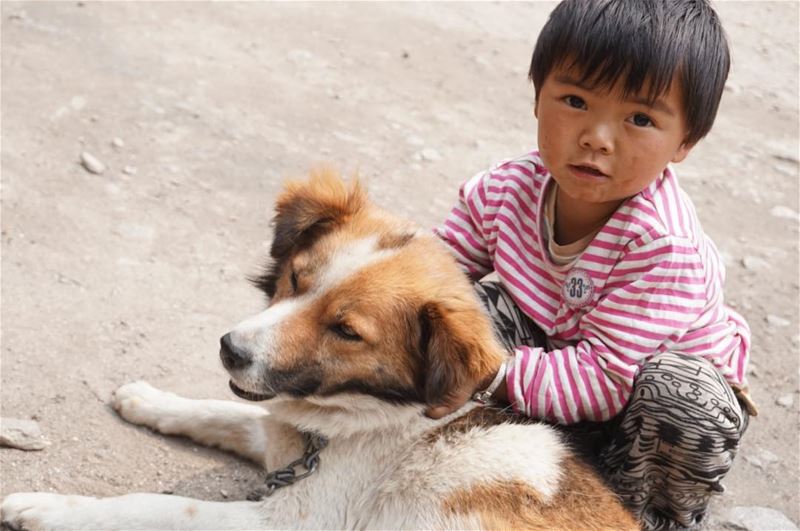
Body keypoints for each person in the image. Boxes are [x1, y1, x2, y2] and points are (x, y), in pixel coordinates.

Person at [433, 0, 757, 529]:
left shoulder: (663, 244)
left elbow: (607, 378)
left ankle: (645, 515)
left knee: (681, 396)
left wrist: (485, 370)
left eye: (639, 118)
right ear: (538, 95)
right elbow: (434, 268)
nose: (597, 137)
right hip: (559, 366)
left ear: (686, 142)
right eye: (575, 100)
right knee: (461, 310)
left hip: (641, 411)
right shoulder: (506, 190)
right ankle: (515, 462)